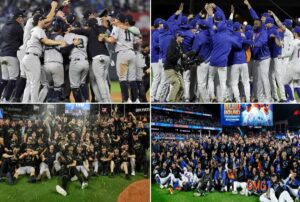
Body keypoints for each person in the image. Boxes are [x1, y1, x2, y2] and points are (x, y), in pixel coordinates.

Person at [0, 9, 25, 101]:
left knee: (4, 79)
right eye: (22, 17)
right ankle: (5, 99)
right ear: (18, 18)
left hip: (2, 55)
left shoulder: (4, 26)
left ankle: (1, 98)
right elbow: (23, 42)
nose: (23, 19)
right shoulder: (17, 27)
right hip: (11, 55)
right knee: (13, 79)